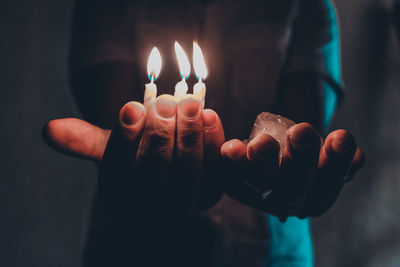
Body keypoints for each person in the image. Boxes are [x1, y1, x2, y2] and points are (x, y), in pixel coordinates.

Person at [43, 0, 365, 266]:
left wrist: (292, 178)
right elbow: (119, 126)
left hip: (266, 254)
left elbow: (298, 132)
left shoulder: (307, 7)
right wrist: (130, 152)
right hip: (138, 250)